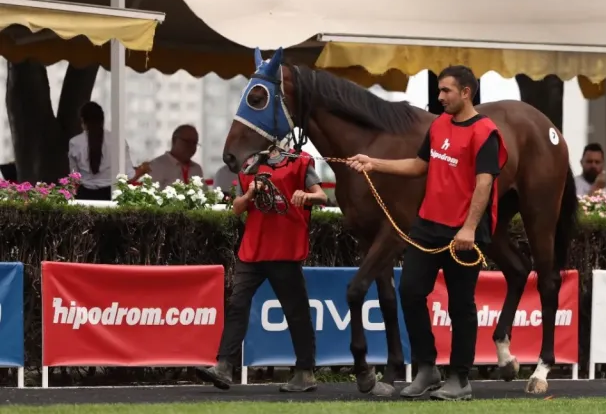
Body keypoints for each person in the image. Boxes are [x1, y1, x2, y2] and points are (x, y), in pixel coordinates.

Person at [346, 65, 507, 401]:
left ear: (467, 92)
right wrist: (374, 163)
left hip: (463, 233)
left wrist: (469, 228)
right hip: (427, 225)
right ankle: (427, 368)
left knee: (461, 306)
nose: (440, 97)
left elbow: (485, 183)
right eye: (439, 91)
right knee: (410, 292)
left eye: (447, 91)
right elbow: (420, 165)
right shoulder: (439, 125)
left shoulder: (485, 132)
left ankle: (460, 379)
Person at [196, 147, 328, 393]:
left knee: (296, 312)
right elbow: (236, 208)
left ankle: (305, 372)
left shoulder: (298, 161)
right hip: (253, 251)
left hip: (285, 251)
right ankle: (224, 366)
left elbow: (322, 196)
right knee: (237, 304)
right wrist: (248, 195)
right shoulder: (249, 165)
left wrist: (306, 196)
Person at [68, 101, 148, 200]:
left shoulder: (75, 142)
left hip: (85, 197)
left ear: (82, 120)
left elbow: (74, 178)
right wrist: (142, 170)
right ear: (102, 119)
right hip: (112, 196)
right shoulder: (118, 141)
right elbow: (129, 175)